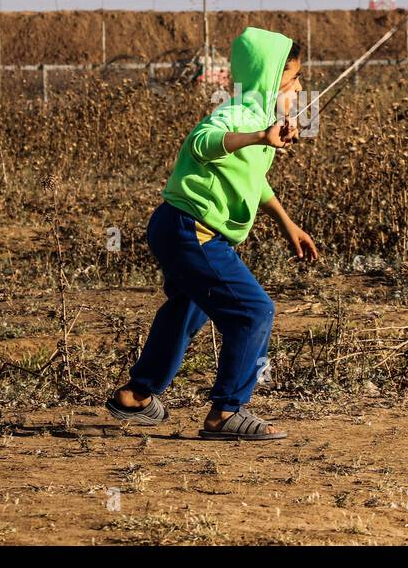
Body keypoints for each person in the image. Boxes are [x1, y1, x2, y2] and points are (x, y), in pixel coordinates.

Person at [105, 27, 318, 440]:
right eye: (293, 79)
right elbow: (201, 143)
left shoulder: (261, 120)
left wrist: (286, 222)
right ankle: (226, 414)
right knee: (254, 312)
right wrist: (260, 136)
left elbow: (254, 181)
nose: (300, 87)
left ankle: (135, 396)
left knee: (185, 311)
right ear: (269, 81)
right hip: (191, 231)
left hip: (177, 226)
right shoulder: (238, 114)